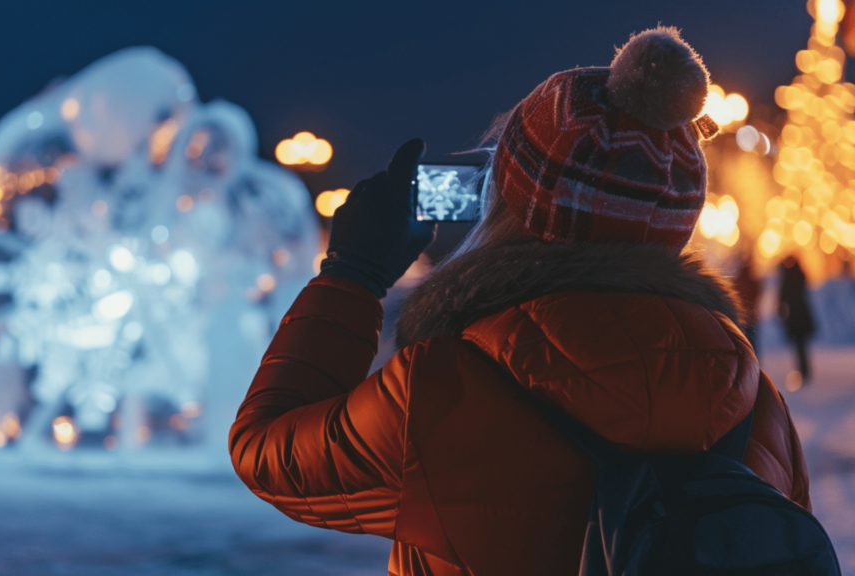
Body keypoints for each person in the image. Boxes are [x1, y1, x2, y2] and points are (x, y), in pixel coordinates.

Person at [231, 28, 810, 575]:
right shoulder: (756, 400)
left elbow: (266, 452)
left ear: (510, 201)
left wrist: (352, 274)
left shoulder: (442, 387)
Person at [779, 254, 815, 383]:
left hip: (794, 317)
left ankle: (803, 371)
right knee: (801, 345)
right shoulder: (799, 275)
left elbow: (783, 297)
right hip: (802, 315)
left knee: (798, 346)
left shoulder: (788, 277)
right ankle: (804, 371)